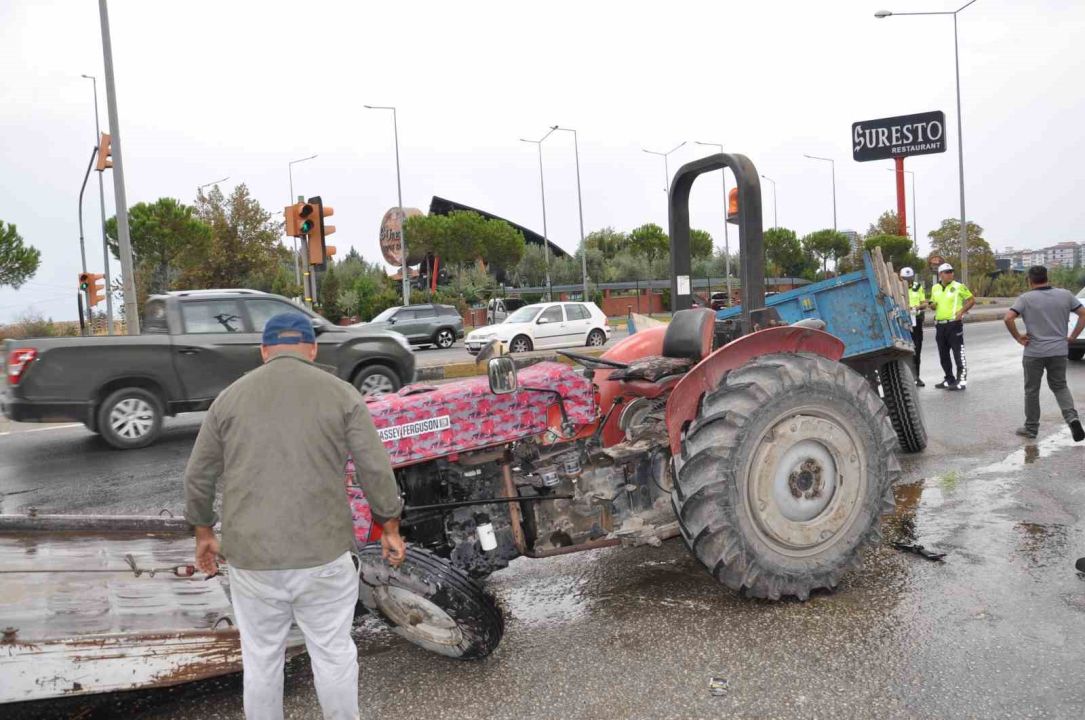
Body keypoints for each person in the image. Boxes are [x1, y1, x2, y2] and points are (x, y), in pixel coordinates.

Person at [184, 311, 406, 720]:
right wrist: (389, 525)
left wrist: (203, 534)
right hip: (323, 556)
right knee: (333, 653)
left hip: (252, 561)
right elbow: (375, 468)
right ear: (312, 348)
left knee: (263, 659)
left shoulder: (229, 399)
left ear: (264, 351)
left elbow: (198, 476)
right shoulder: (341, 394)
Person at [1003, 265, 1085, 441]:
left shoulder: (1026, 299)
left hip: (1034, 352)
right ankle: (1073, 419)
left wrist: (1018, 337)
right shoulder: (1065, 295)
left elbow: (1008, 318)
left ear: (1029, 280)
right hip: (1059, 351)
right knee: (1060, 386)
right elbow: (1083, 314)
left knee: (1032, 390)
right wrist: (1072, 337)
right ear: (1047, 277)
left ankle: (1031, 428)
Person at [929, 262, 975, 390]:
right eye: (947, 272)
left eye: (951, 272)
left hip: (954, 324)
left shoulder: (959, 286)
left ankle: (961, 381)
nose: (950, 274)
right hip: (940, 325)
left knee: (958, 353)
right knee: (943, 354)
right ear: (940, 275)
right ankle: (949, 379)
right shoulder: (935, 288)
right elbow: (933, 302)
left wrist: (961, 311)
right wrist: (932, 305)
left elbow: (971, 300)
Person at [901, 266, 927, 387]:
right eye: (905, 279)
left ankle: (917, 377)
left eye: (909, 278)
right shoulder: (897, 287)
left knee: (917, 350)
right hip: (902, 322)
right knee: (904, 350)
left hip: (916, 320)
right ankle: (905, 379)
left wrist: (916, 308)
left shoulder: (917, 287)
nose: (907, 281)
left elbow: (924, 303)